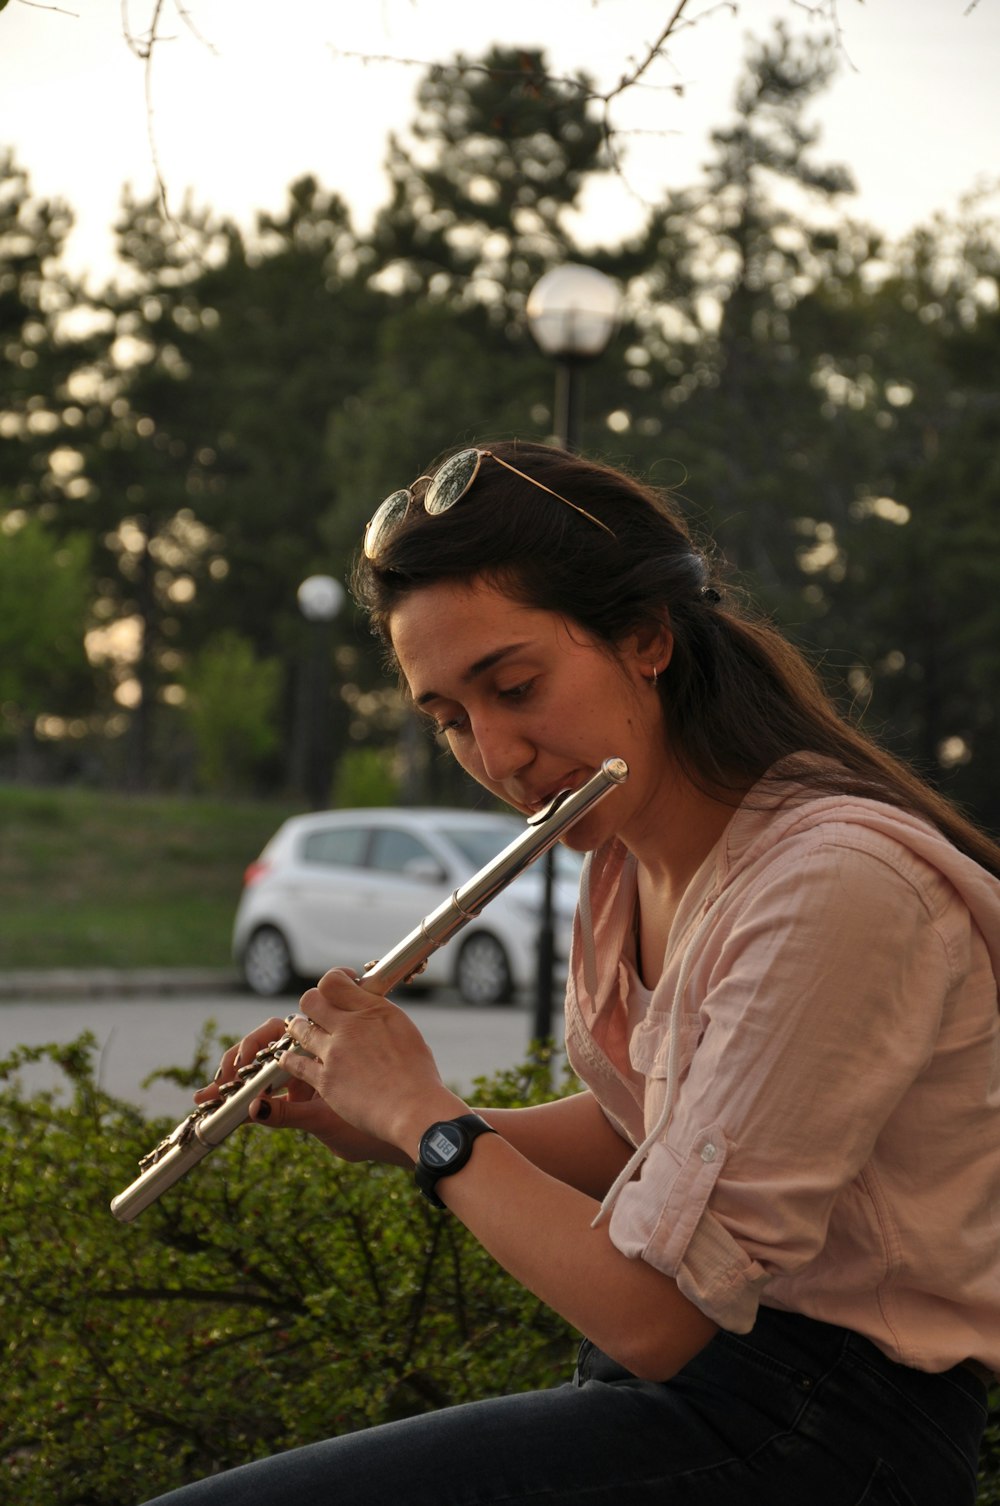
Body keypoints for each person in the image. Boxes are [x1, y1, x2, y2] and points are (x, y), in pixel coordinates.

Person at [144, 440, 1000, 1505]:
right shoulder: (623, 853)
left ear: (646, 637)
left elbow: (656, 1313)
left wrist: (429, 1123)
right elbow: (649, 1136)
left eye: (514, 686)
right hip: (699, 1401)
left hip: (823, 1438)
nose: (498, 757)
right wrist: (370, 1116)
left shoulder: (833, 884)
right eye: (451, 718)